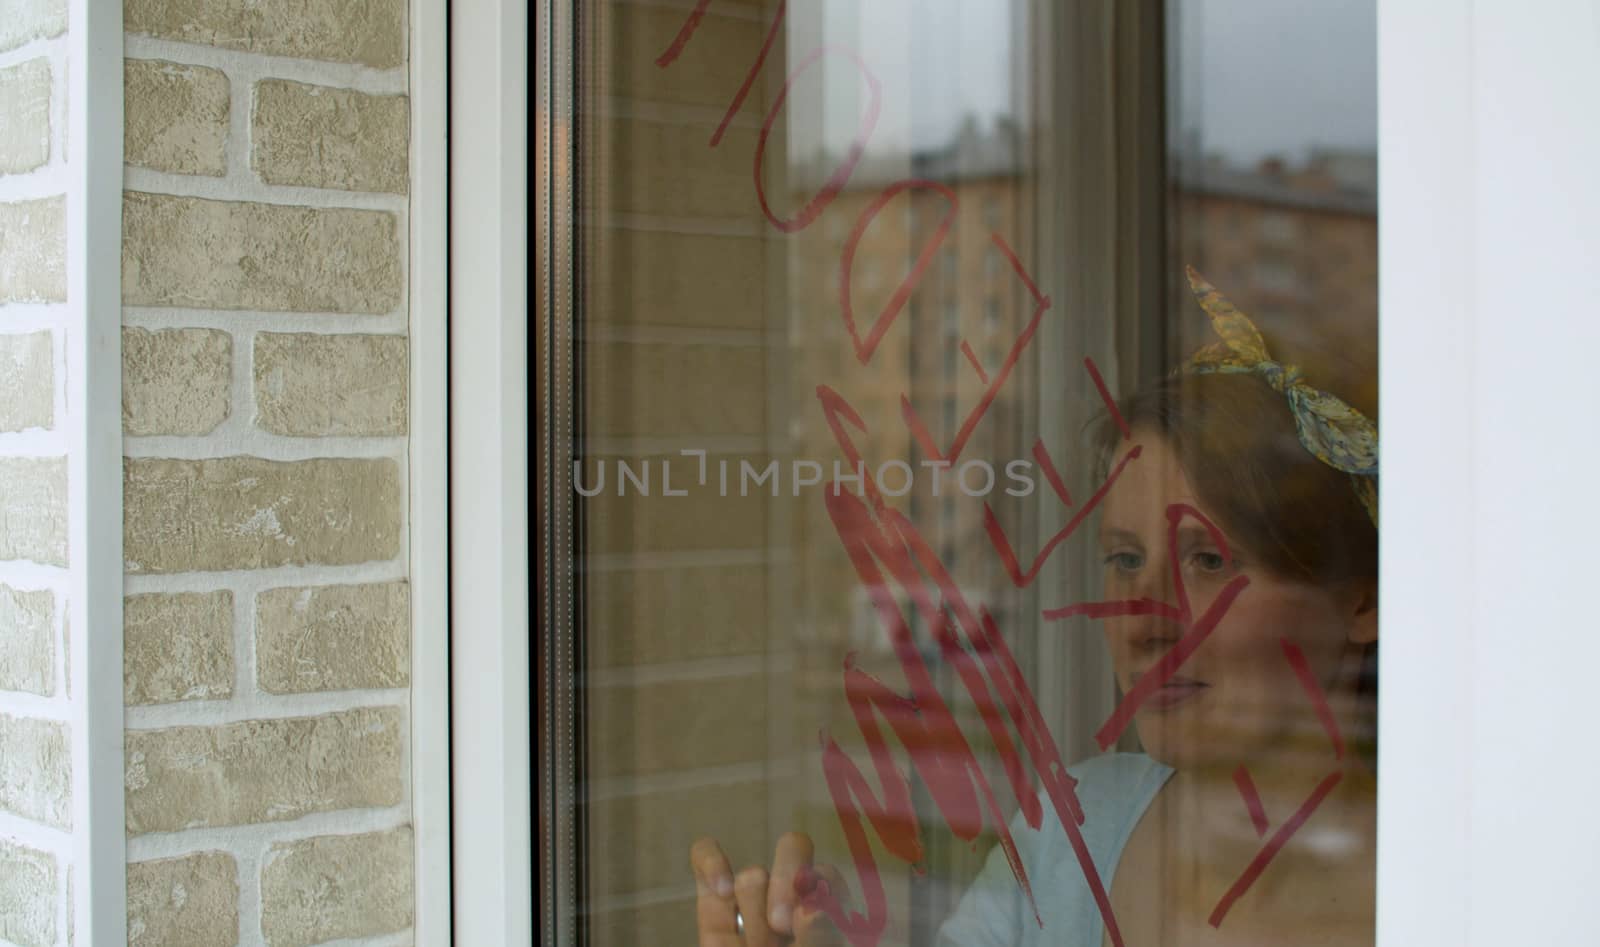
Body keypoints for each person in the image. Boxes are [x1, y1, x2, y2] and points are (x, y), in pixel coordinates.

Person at [689, 268, 1380, 946]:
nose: (1142, 620)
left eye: (1208, 561)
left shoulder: (1458, 887)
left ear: (1366, 598)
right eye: (1126, 559)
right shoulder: (1071, 833)